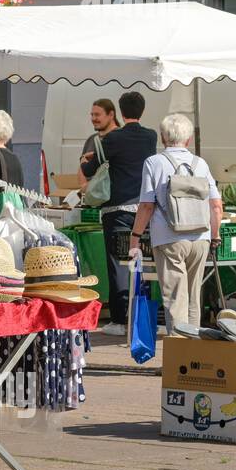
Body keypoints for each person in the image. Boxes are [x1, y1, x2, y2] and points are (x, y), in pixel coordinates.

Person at [130, 114, 223, 332]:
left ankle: (178, 356)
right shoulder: (200, 163)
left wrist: (135, 237)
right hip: (201, 237)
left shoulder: (153, 163)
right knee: (193, 298)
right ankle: (193, 356)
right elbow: (216, 206)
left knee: (174, 298)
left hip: (169, 237)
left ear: (162, 137)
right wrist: (215, 235)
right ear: (188, 139)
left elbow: (146, 206)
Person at [81, 90, 157, 335]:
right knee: (143, 261)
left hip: (117, 208)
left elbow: (91, 168)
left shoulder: (111, 140)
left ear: (120, 113)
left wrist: (86, 160)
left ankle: (119, 319)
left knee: (118, 264)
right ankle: (140, 314)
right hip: (144, 207)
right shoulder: (150, 136)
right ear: (141, 111)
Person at [77, 98, 119, 187]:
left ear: (111, 115)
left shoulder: (121, 137)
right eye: (92, 115)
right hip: (93, 198)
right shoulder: (91, 140)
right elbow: (82, 166)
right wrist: (85, 187)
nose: (93, 119)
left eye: (97, 115)